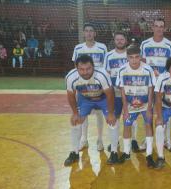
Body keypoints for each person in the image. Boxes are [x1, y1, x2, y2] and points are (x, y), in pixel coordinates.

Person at [64, 55, 119, 166]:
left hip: (102, 98)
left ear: (93, 66)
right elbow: (70, 95)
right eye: (81, 69)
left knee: (113, 122)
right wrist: (75, 113)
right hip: (85, 99)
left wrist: (111, 113)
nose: (85, 72)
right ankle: (74, 152)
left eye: (88, 69)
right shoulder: (70, 76)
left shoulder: (102, 74)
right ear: (76, 67)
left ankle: (114, 152)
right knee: (76, 122)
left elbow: (110, 94)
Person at [116, 45, 157, 168]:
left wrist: (149, 108)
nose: (134, 60)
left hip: (145, 105)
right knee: (126, 125)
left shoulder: (148, 69)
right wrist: (125, 109)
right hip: (130, 106)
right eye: (131, 57)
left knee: (148, 124)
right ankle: (126, 152)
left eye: (137, 57)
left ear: (140, 57)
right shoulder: (122, 70)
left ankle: (149, 155)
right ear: (127, 58)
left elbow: (151, 89)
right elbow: (122, 90)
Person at [140, 18, 171, 151]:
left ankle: (167, 140)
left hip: (165, 83)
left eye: (161, 26)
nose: (159, 29)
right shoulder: (145, 44)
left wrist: (162, 74)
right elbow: (142, 63)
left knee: (166, 112)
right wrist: (151, 72)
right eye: (156, 26)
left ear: (164, 28)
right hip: (149, 84)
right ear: (152, 27)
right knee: (148, 111)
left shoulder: (169, 45)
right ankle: (147, 139)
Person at [72, 23, 108, 151]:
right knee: (83, 114)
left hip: (98, 87)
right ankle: (84, 139)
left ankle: (100, 139)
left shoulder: (102, 47)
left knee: (99, 114)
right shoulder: (78, 48)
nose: (88, 33)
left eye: (91, 31)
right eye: (86, 31)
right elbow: (76, 68)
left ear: (95, 33)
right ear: (83, 33)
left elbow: (105, 67)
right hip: (83, 87)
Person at [104, 31, 133, 152]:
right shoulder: (109, 55)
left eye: (122, 39)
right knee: (115, 118)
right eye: (117, 39)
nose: (120, 41)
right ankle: (115, 143)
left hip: (130, 93)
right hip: (115, 93)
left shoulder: (131, 55)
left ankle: (133, 141)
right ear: (114, 41)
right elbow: (107, 73)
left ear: (125, 41)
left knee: (132, 118)